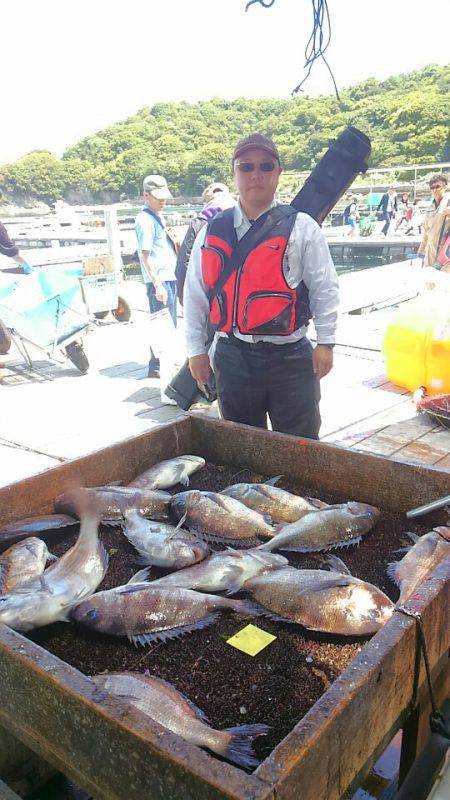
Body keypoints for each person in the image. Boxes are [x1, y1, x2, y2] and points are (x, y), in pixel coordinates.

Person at [184, 132, 339, 440]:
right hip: (232, 354)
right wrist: (195, 350)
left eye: (266, 166)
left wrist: (326, 342)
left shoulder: (302, 227)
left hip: (291, 356)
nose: (256, 174)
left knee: (300, 444)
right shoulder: (212, 230)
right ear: (234, 173)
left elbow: (325, 288)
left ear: (278, 173)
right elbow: (195, 295)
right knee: (242, 443)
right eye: (246, 166)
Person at [134, 175, 178, 377]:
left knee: (167, 323)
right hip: (159, 280)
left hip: (168, 277)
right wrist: (157, 284)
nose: (163, 201)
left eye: (163, 197)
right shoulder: (145, 219)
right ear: (146, 195)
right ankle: (159, 365)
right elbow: (145, 255)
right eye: (158, 197)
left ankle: (162, 363)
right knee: (162, 324)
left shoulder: (156, 215)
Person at [175, 182, 234, 305]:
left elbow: (184, 262)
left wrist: (183, 298)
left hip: (210, 294)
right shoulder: (245, 214)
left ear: (207, 200)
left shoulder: (201, 221)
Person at [417, 174, 450, 267]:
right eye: (432, 187)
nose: (435, 190)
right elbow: (426, 231)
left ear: (445, 187)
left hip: (446, 254)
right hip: (430, 253)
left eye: (438, 187)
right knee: (429, 279)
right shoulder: (430, 208)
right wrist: (421, 248)